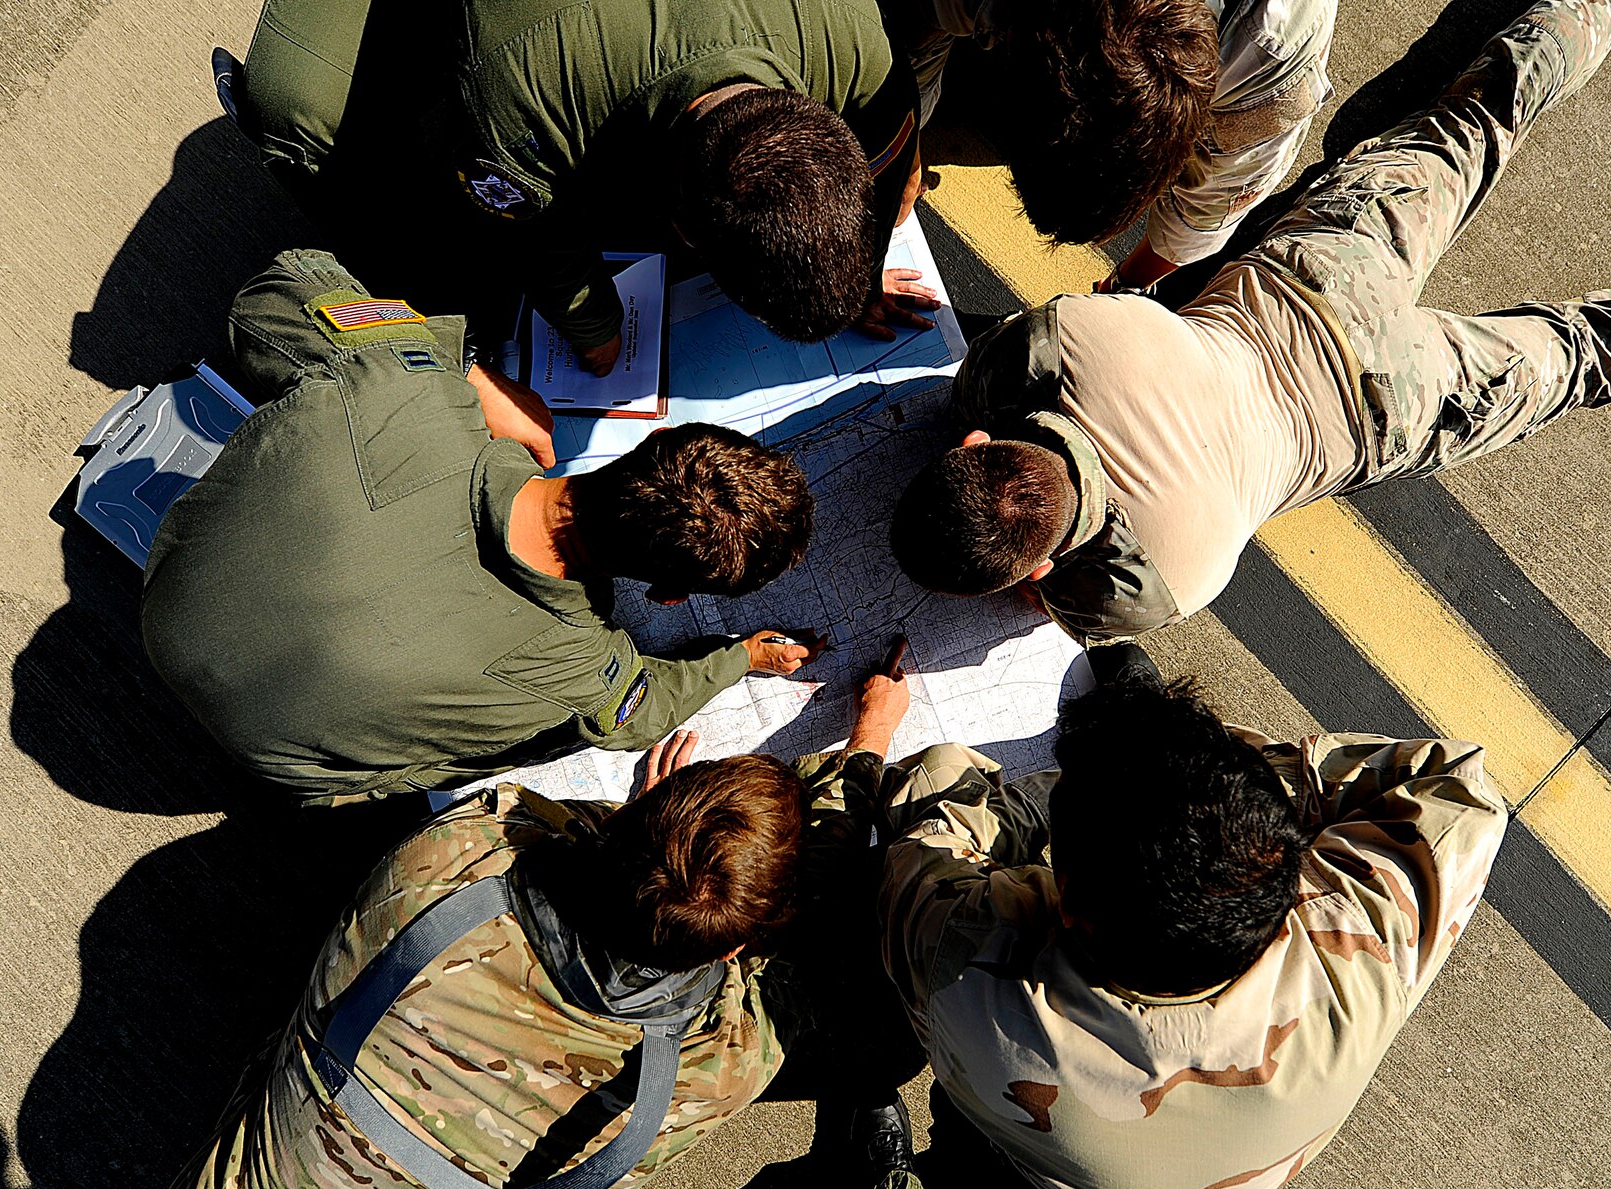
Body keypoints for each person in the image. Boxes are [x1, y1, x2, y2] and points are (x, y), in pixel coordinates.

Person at [890, 0, 1611, 643]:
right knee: (1482, 108)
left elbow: (1068, 604)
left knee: (1602, 347)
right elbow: (991, 378)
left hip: (1382, 410)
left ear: (1034, 568)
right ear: (979, 443)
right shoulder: (1068, 339)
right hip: (1315, 274)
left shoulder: (1154, 581)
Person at [148, 667, 922, 1189]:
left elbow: (529, 821)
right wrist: (864, 754)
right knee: (878, 1037)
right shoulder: (715, 1066)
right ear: (744, 945)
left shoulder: (446, 865)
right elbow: (812, 944)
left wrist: (639, 822)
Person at [142, 250, 821, 803]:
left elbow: (268, 294)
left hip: (167, 589)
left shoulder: (401, 387)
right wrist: (742, 656)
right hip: (265, 752)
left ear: (646, 445)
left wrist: (457, 372)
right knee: (542, 736)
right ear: (669, 596)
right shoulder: (584, 670)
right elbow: (637, 712)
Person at [874, 665, 1509, 1189]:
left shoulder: (965, 956)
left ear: (1066, 901)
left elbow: (923, 841)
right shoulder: (1363, 947)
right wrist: (1230, 793)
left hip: (1020, 1119)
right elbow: (1457, 786)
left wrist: (1037, 800)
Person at [223, 0, 931, 360]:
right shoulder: (524, 106)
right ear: (682, 225)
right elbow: (539, 241)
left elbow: (897, 154)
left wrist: (854, 274)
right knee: (300, 110)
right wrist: (594, 328)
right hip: (524, 41)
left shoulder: (856, 40)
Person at [882, 0, 1337, 290]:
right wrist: (902, 155)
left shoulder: (1270, 64)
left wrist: (1121, 286)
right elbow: (917, 20)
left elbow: (1204, 214)